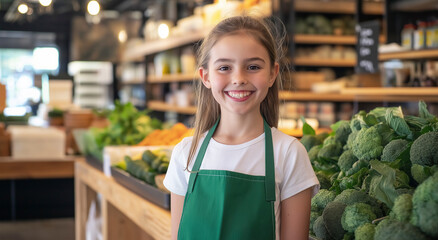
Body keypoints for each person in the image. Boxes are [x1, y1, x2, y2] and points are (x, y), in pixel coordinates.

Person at [163, 15, 320, 240]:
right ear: (205, 76)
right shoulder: (185, 153)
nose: (238, 78)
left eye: (253, 66)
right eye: (225, 67)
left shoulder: (288, 153)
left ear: (272, 74)